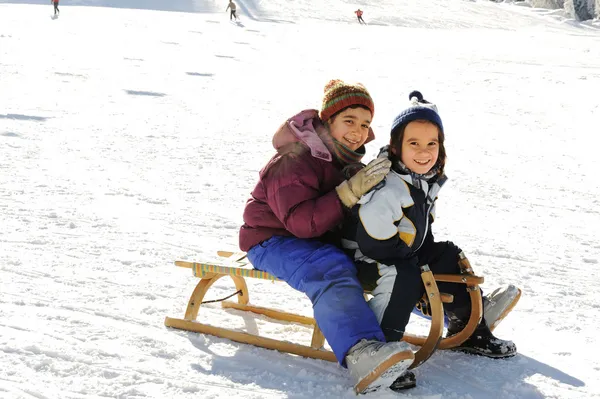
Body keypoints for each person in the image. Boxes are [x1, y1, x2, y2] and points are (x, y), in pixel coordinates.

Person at [239, 80, 415, 394]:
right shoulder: (293, 160)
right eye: (349, 121)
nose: (358, 131)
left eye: (365, 124)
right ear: (327, 121)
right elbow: (301, 224)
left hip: (316, 240)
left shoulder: (344, 161)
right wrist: (348, 192)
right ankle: (362, 352)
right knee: (330, 268)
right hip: (270, 240)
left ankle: (459, 313)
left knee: (386, 256)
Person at [340, 90, 519, 389]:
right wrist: (410, 261)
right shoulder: (387, 185)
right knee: (405, 275)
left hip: (401, 252)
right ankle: (381, 350)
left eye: (431, 144)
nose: (424, 151)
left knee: (446, 255)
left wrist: (424, 255)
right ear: (397, 147)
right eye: (414, 144)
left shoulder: (423, 179)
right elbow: (374, 239)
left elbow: (421, 228)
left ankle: (468, 326)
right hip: (367, 258)